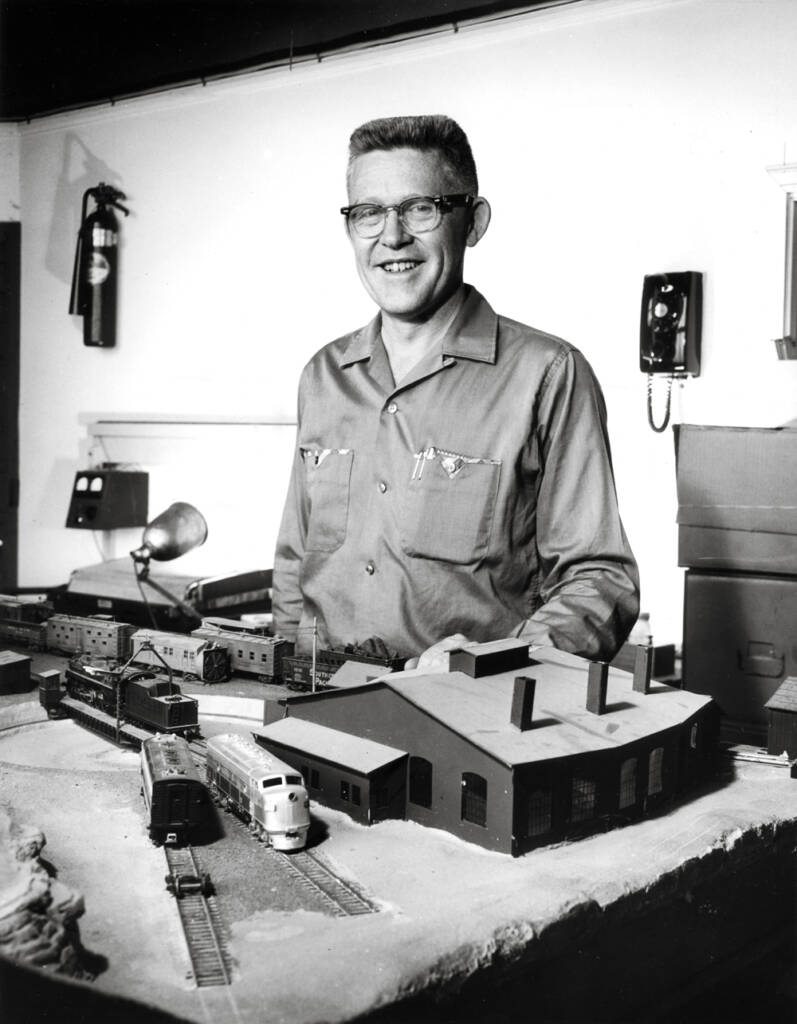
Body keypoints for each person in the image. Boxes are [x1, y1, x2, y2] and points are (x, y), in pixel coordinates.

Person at [273, 114, 639, 669]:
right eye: (369, 212)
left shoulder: (547, 374)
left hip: (463, 727)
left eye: (420, 208)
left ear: (473, 221)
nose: (392, 236)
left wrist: (495, 666)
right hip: (318, 708)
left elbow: (600, 580)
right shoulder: (324, 375)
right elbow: (295, 564)